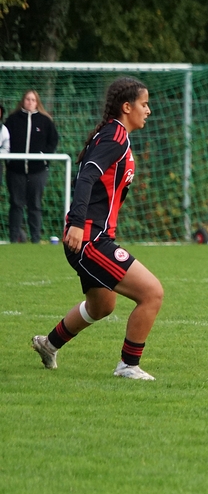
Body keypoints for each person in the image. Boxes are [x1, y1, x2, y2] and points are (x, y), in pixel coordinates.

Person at [30, 77, 163, 381]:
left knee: (102, 305)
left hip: (93, 235)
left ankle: (49, 344)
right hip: (89, 238)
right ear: (127, 107)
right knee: (152, 293)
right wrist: (78, 223)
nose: (148, 110)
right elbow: (87, 176)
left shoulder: (116, 135)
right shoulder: (115, 136)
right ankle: (128, 366)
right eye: (144, 104)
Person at [4, 89, 60, 243]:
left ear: (37, 103)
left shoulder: (45, 121)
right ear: (23, 101)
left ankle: (35, 239)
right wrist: (9, 159)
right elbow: (4, 140)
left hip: (37, 171)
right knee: (16, 204)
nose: (30, 102)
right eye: (27, 99)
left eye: (33, 100)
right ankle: (13, 239)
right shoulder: (13, 120)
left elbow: (53, 141)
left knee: (35, 205)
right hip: (16, 170)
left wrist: (44, 157)